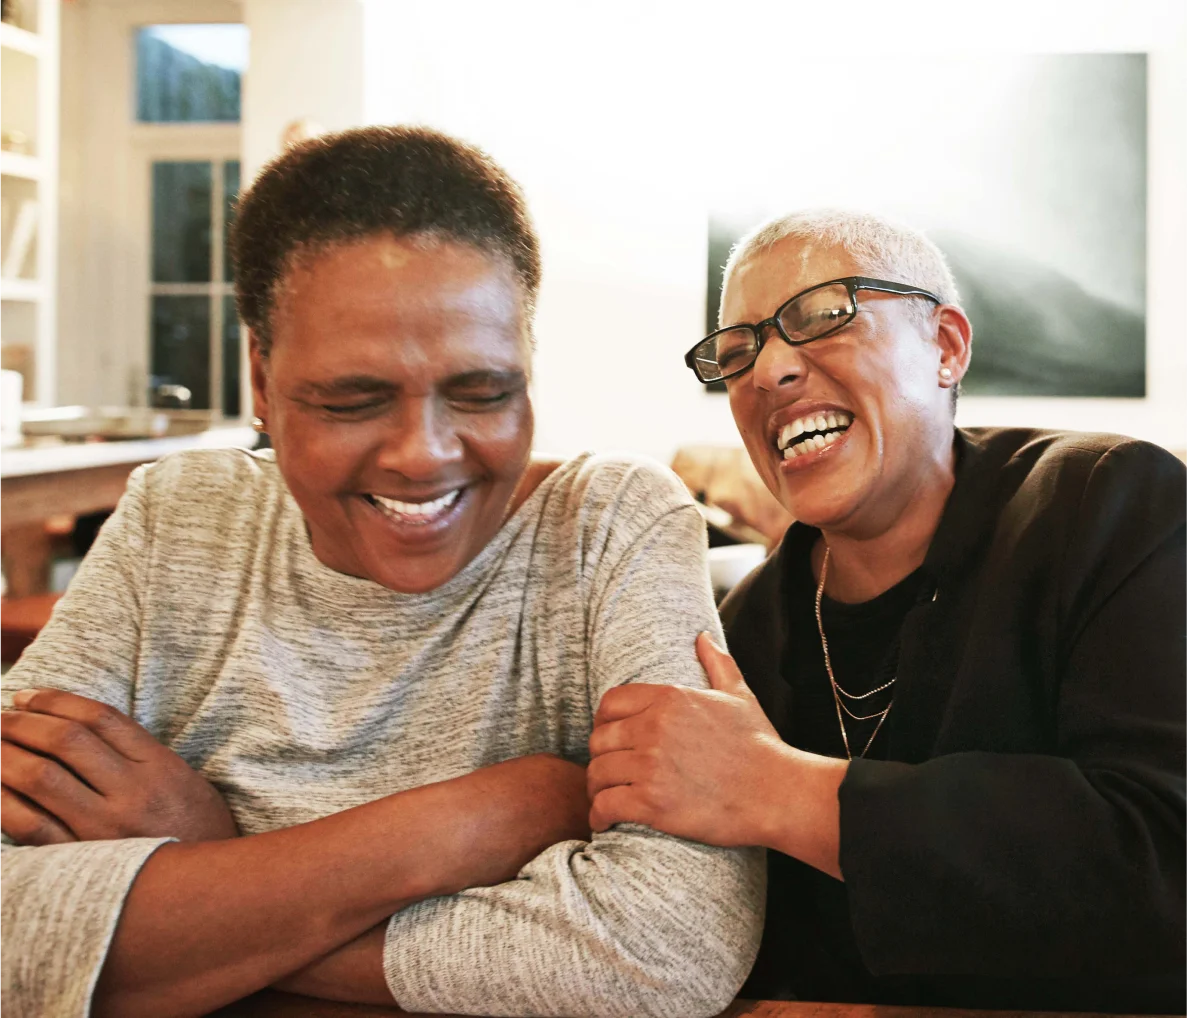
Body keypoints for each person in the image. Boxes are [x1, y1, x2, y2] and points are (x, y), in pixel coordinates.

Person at [0, 126, 763, 1018]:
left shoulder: (611, 527)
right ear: (260, 375)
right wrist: (483, 817)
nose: (424, 455)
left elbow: (668, 949)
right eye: (352, 401)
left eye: (482, 393)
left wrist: (209, 875)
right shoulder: (180, 518)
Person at [587, 208, 1187, 1013]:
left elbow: (1160, 859)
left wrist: (779, 790)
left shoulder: (1105, 504)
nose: (767, 371)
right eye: (736, 354)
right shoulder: (744, 630)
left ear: (944, 346)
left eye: (821, 316)